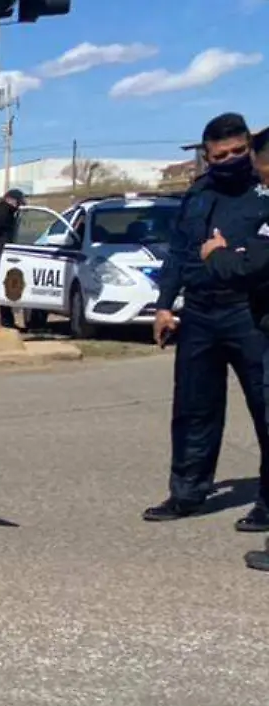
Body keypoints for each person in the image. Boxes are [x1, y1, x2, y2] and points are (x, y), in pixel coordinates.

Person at [147, 112, 269, 531]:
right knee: (194, 408)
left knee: (265, 407)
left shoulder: (264, 192)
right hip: (199, 312)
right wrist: (164, 305)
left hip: (249, 312)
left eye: (239, 151)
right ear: (207, 155)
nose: (231, 159)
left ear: (249, 148)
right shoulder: (197, 194)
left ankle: (267, 505)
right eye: (222, 155)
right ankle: (187, 494)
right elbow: (179, 252)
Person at [0, 189, 26, 328]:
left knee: (3, 288)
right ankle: (5, 321)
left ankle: (7, 321)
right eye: (18, 203)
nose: (19, 206)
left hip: (4, 256)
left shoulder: (8, 212)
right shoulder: (2, 212)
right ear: (11, 200)